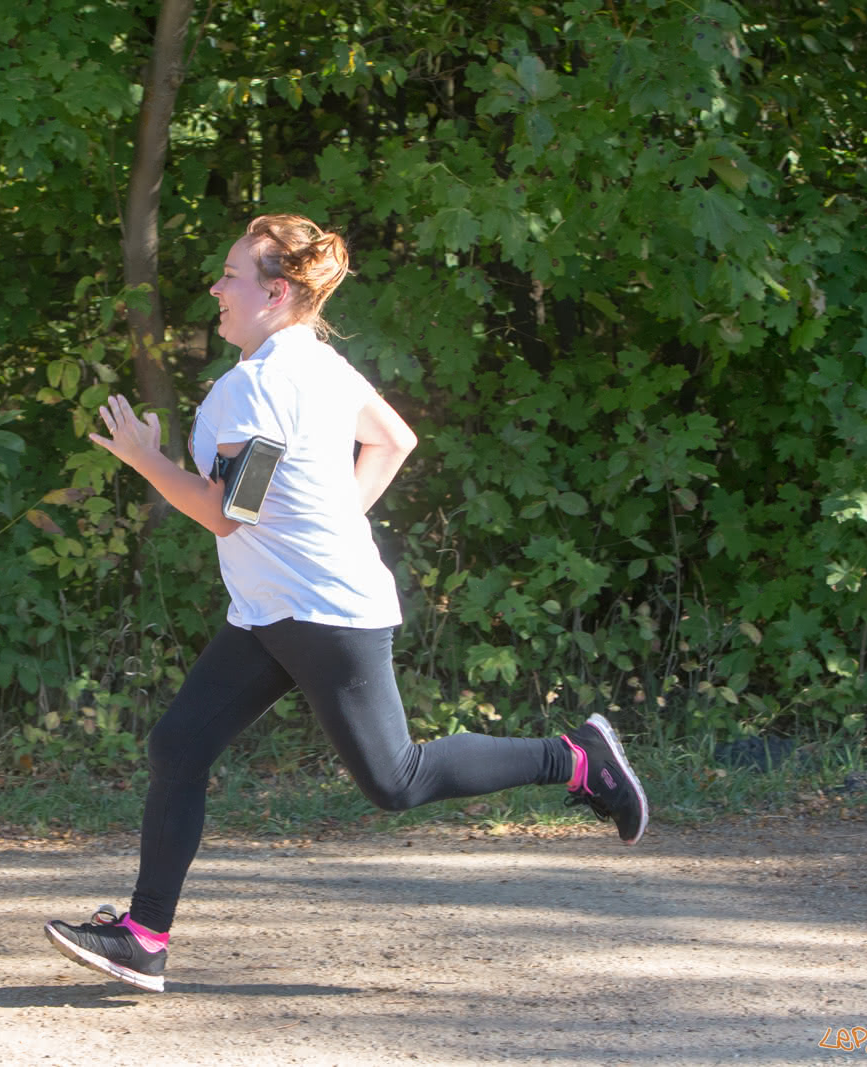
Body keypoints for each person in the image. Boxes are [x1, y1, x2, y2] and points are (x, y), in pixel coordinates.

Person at [44, 214, 647, 993]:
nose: (215, 289)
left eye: (231, 276)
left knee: (394, 779)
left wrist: (146, 458)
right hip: (274, 608)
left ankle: (573, 758)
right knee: (179, 745)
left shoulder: (257, 386)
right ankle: (143, 935)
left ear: (277, 290)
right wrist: (330, 524)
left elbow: (228, 511)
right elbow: (393, 440)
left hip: (321, 613)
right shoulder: (319, 367)